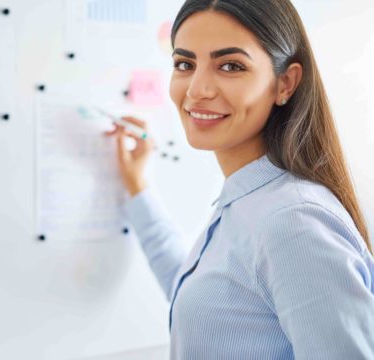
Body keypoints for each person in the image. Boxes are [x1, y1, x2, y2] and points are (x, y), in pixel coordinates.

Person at [105, 0, 374, 358]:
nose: (197, 88)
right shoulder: (248, 199)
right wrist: (137, 187)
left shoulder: (292, 222)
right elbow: (201, 301)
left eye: (230, 66)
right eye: (184, 64)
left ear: (286, 84)